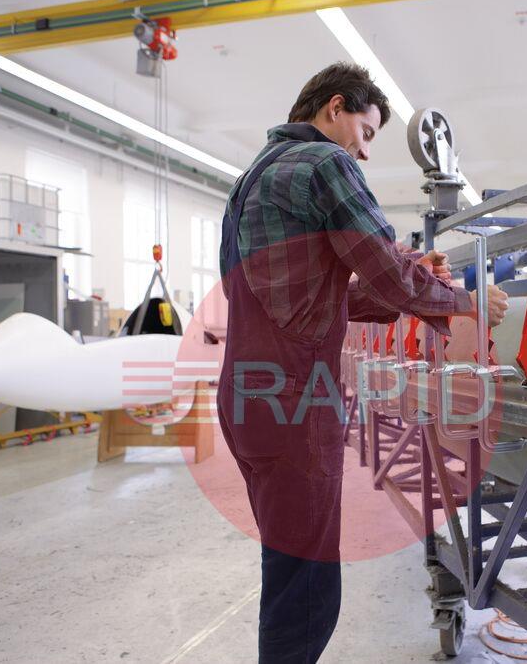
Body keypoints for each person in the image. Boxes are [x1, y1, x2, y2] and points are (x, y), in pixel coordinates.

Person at [217, 62, 508, 663]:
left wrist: (415, 282)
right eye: (367, 132)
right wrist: (464, 302)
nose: (366, 151)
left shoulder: (250, 180)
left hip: (247, 401)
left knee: (288, 565)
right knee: (305, 589)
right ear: (335, 108)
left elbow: (318, 300)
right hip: (297, 401)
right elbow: (382, 268)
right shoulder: (325, 163)